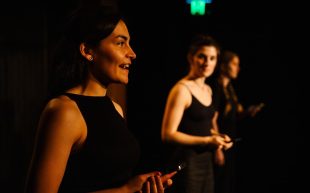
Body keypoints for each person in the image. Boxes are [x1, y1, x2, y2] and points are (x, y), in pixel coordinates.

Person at [24, 4, 175, 193]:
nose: (132, 53)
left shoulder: (115, 107)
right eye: (121, 43)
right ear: (88, 51)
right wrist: (126, 190)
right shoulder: (64, 111)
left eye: (129, 43)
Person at [161, 34, 233, 193]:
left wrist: (219, 139)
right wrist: (208, 140)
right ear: (191, 58)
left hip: (206, 161)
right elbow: (167, 134)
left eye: (212, 58)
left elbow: (203, 126)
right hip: (187, 162)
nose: (207, 62)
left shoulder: (208, 89)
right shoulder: (181, 90)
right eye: (202, 56)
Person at [210, 50, 264, 193]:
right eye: (234, 64)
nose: (238, 68)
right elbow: (212, 119)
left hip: (230, 142)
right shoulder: (217, 87)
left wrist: (248, 112)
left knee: (227, 182)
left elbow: (235, 115)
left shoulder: (229, 88)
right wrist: (218, 148)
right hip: (221, 144)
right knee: (219, 183)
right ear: (223, 66)